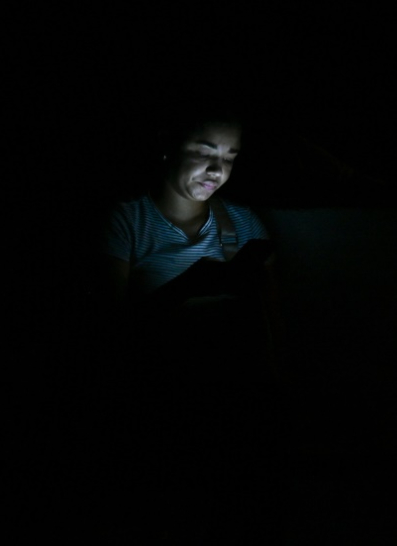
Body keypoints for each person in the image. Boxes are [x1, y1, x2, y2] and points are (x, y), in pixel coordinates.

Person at [90, 101, 284, 541]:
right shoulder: (127, 221)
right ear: (168, 147)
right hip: (156, 407)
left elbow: (273, 325)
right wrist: (185, 288)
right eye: (205, 151)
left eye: (230, 156)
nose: (218, 168)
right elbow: (106, 334)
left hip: (232, 406)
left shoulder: (243, 224)